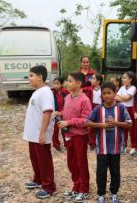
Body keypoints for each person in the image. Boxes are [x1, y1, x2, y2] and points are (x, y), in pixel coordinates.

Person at [86, 82, 132, 203]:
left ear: (115, 94)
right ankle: (101, 194)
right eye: (104, 93)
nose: (106, 95)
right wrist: (100, 125)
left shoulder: (121, 108)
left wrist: (116, 123)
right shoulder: (98, 108)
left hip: (116, 147)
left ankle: (114, 193)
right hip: (102, 148)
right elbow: (87, 122)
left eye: (109, 93)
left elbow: (129, 124)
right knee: (101, 171)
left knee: (115, 171)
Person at [57, 72, 92, 203]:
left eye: (70, 81)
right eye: (67, 80)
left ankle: (84, 190)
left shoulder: (85, 100)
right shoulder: (68, 97)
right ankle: (76, 187)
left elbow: (86, 120)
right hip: (68, 136)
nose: (67, 83)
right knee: (71, 163)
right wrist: (59, 114)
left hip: (79, 136)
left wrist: (69, 122)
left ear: (78, 83)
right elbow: (67, 113)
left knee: (81, 163)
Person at [23, 65, 56, 199]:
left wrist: (42, 133)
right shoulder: (38, 91)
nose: (29, 79)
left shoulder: (46, 92)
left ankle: (49, 187)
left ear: (40, 77)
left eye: (31, 76)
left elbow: (47, 112)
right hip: (33, 134)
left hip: (39, 134)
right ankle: (38, 179)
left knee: (44, 160)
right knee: (35, 158)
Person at [116, 71, 137, 154]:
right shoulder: (122, 88)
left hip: (130, 109)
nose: (123, 79)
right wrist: (123, 98)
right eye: (123, 77)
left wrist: (120, 98)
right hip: (122, 109)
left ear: (130, 79)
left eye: (125, 78)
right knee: (123, 128)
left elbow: (128, 97)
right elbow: (116, 97)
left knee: (131, 129)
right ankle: (123, 146)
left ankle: (133, 146)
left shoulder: (133, 88)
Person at [83, 73, 103, 151]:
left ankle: (99, 142)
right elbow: (81, 90)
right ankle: (92, 143)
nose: (91, 80)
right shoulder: (89, 89)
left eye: (93, 78)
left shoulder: (103, 89)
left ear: (98, 81)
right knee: (91, 126)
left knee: (99, 125)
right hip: (91, 107)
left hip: (99, 108)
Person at [52, 77, 69, 151]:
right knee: (55, 131)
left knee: (64, 130)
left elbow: (69, 103)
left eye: (57, 84)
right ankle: (56, 145)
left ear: (62, 84)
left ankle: (67, 144)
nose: (55, 86)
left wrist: (63, 112)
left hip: (64, 113)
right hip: (55, 114)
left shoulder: (66, 92)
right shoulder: (52, 93)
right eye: (54, 84)